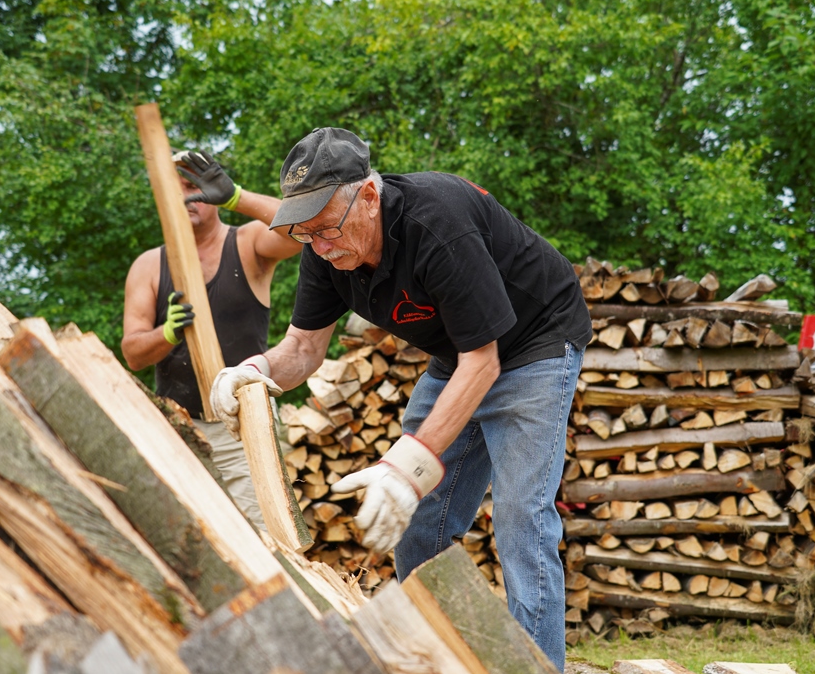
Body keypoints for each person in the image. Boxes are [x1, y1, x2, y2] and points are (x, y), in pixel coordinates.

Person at [209, 127, 591, 670]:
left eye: (326, 229)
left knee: (521, 520)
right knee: (418, 522)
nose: (319, 245)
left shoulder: (438, 223)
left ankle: (538, 667)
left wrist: (408, 464)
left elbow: (484, 363)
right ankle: (436, 660)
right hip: (459, 354)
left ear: (369, 195)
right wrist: (253, 370)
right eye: (306, 234)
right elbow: (302, 349)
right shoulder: (324, 246)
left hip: (536, 342)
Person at [121, 150, 301, 529]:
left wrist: (237, 196)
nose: (186, 196)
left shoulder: (248, 243)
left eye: (194, 185)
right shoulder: (149, 265)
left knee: (269, 538)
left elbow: (301, 230)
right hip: (179, 431)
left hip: (243, 427)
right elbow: (133, 353)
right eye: (176, 188)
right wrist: (166, 333)